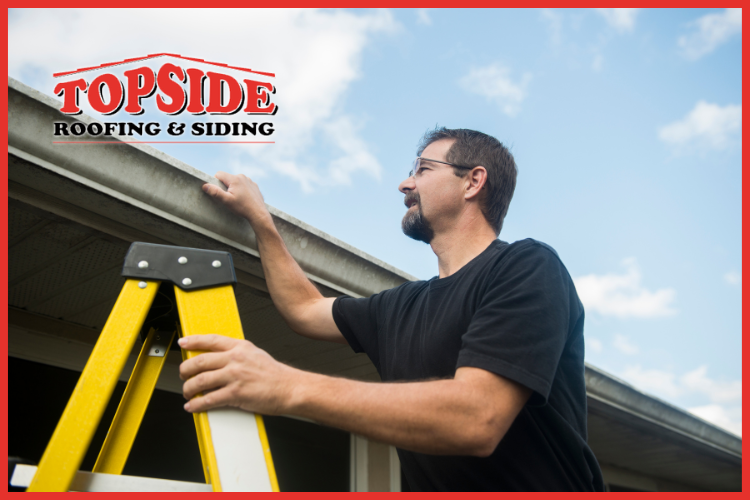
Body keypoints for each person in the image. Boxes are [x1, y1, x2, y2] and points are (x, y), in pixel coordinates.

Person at [178, 127, 605, 491]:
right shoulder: (400, 306)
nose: (405, 184)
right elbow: (305, 309)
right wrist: (261, 221)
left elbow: (478, 416)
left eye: (422, 169)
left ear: (473, 182)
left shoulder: (526, 267)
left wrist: (286, 385)